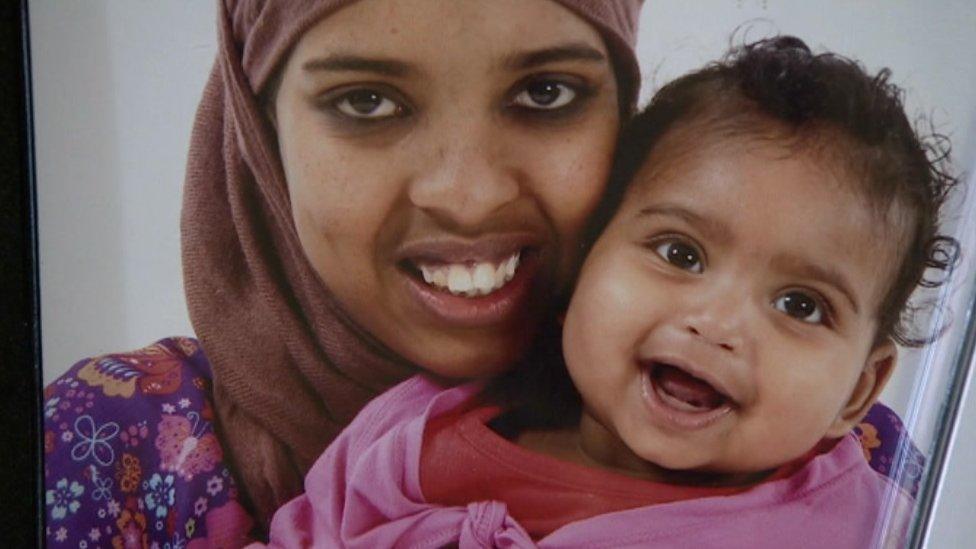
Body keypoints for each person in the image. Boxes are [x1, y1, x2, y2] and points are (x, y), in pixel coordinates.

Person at [262, 36, 957, 547]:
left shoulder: (847, 527)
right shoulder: (418, 432)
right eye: (680, 253)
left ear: (858, 393)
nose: (716, 322)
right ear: (582, 265)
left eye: (801, 305)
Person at [42, 0, 645, 546]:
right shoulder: (97, 448)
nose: (470, 196)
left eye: (546, 93)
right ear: (262, 131)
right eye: (367, 102)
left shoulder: (709, 431)